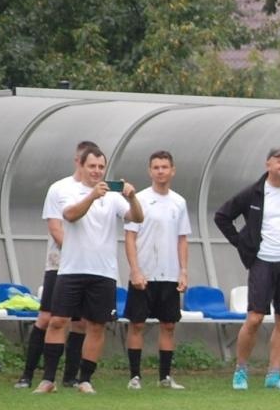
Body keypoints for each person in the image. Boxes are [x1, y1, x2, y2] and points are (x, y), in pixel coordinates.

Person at [33, 143, 143, 393]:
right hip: (71, 269)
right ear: (81, 165)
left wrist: (133, 198)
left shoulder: (113, 197)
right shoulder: (68, 190)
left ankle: (85, 379)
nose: (97, 171)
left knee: (96, 325)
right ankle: (48, 379)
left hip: (104, 272)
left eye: (101, 167)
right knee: (58, 321)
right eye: (92, 166)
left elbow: (137, 218)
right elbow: (70, 215)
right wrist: (92, 196)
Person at [214, 147, 280, 391]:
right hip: (261, 261)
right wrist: (242, 243)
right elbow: (222, 216)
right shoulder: (252, 193)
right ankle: (241, 371)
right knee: (255, 318)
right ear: (268, 164)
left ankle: (274, 375)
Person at [15, 142, 90, 388]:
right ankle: (28, 374)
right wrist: (75, 252)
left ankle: (70, 377)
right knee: (48, 318)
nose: (92, 169)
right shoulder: (59, 188)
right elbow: (55, 228)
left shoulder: (99, 192)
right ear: (78, 161)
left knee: (80, 322)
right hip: (59, 265)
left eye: (98, 165)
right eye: (86, 162)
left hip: (86, 268)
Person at [123, 150, 192, 390]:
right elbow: (130, 237)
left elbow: (182, 239)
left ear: (172, 171)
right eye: (156, 167)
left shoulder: (179, 202)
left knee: (169, 325)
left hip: (169, 274)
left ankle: (165, 377)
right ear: (149, 171)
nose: (160, 171)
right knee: (137, 324)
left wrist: (183, 271)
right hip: (144, 273)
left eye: (165, 167)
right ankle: (135, 377)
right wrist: (135, 270)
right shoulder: (139, 199)